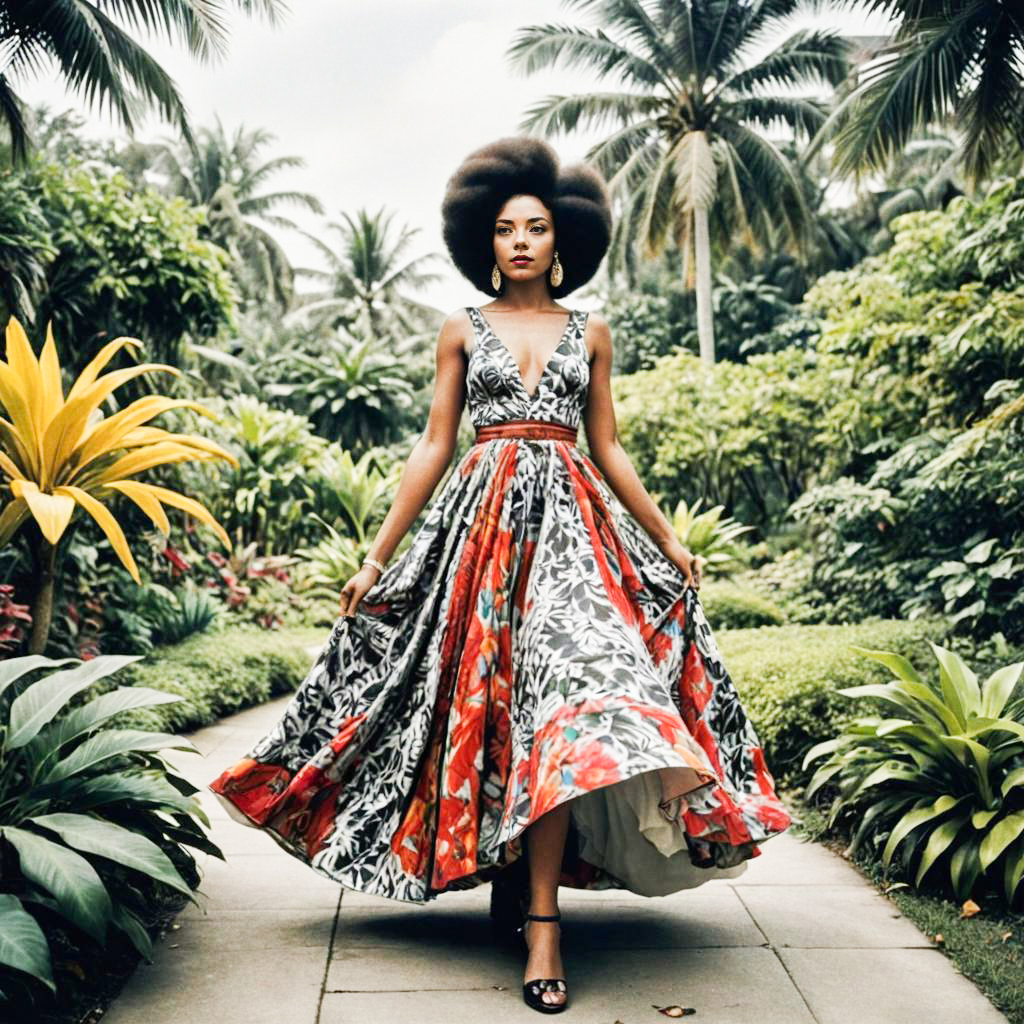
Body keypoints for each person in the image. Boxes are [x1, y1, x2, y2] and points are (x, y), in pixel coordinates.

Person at [208, 135, 792, 1015]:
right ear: (487, 241)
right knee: (484, 709)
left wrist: (667, 540)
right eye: (508, 228)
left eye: (539, 228)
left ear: (564, 243)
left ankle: (544, 922)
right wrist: (375, 556)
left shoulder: (590, 330)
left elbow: (609, 445)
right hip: (477, 535)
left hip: (573, 538)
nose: (522, 241)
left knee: (566, 711)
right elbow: (436, 445)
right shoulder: (460, 328)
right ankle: (511, 876)